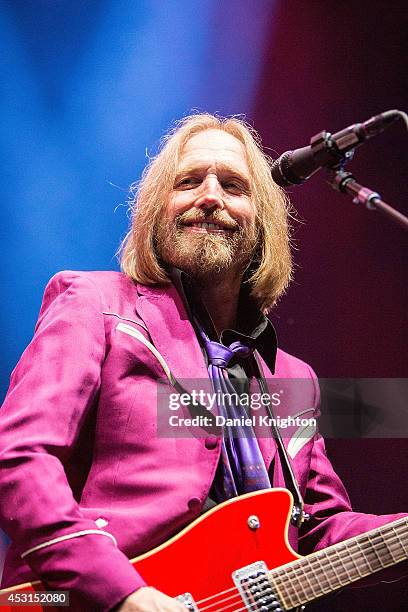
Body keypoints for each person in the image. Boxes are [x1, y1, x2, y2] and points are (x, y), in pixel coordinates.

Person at [0, 113, 406, 611]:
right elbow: (20, 458)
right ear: (154, 212)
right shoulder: (96, 306)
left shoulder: (291, 378)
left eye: (233, 185)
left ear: (264, 224)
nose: (210, 196)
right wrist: (123, 593)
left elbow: (315, 529)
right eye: (188, 181)